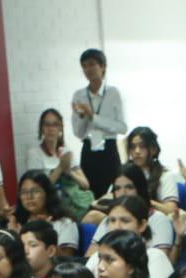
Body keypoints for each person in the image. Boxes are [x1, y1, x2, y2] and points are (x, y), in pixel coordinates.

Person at [73, 48, 128, 198]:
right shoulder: (79, 95)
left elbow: (122, 128)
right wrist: (82, 116)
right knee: (90, 194)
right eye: (84, 66)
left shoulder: (113, 93)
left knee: (113, 193)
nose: (87, 69)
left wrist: (93, 117)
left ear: (103, 66)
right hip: (88, 150)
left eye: (91, 64)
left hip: (108, 150)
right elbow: (78, 133)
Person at [24, 107, 93, 219]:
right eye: (47, 124)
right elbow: (39, 189)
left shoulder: (66, 151)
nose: (51, 129)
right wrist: (60, 167)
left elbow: (85, 185)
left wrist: (69, 172)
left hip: (72, 201)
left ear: (60, 128)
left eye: (55, 124)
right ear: (41, 128)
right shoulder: (34, 153)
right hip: (50, 206)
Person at [12, 169, 79, 254]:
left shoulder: (64, 222)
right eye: (24, 192)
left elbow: (66, 258)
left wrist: (45, 234)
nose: (29, 197)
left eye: (35, 191)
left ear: (47, 193)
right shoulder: (17, 221)